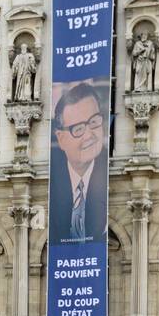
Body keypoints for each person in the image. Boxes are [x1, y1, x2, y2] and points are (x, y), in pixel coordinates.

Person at [49, 82, 108, 243]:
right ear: (61, 138)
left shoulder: (107, 169)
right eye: (78, 129)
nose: (89, 135)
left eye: (94, 122)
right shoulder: (52, 177)